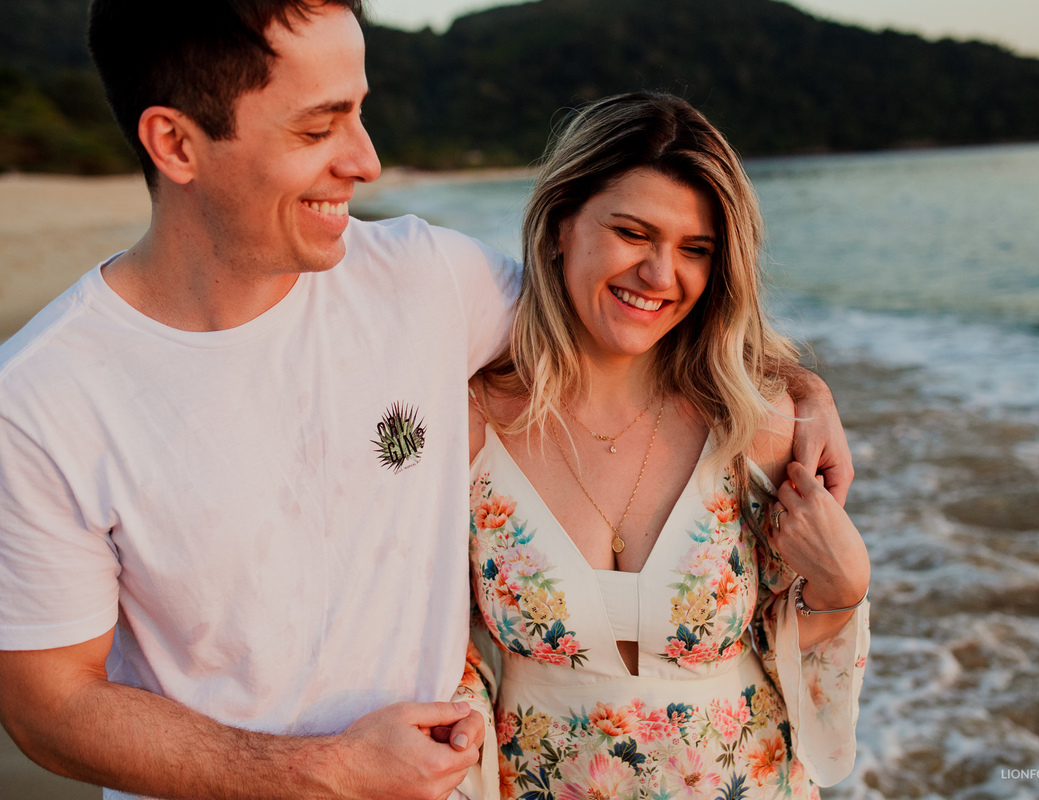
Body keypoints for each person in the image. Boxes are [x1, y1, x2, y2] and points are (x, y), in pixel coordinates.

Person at [0, 4, 854, 800]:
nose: (366, 160)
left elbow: (634, 323)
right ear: (175, 144)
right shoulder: (44, 400)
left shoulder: (428, 281)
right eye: (318, 125)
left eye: (359, 112)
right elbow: (50, 708)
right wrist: (326, 771)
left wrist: (803, 396)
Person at [467, 92, 870, 799]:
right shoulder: (472, 422)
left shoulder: (758, 424)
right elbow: (433, 642)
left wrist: (842, 589)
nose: (660, 275)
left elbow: (783, 648)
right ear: (562, 224)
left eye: (694, 250)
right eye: (632, 233)